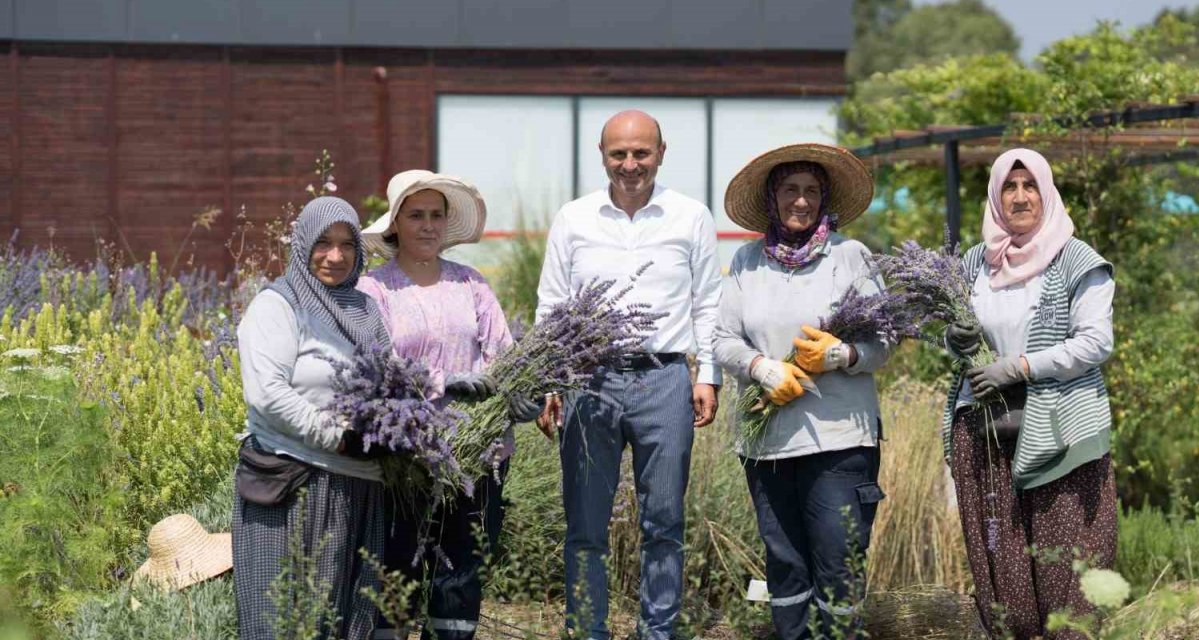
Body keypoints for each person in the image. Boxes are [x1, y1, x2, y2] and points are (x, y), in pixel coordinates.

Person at [534, 109, 722, 640]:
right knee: (585, 528)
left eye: (641, 153)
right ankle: (587, 630)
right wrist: (551, 379)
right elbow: (552, 306)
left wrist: (706, 375)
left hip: (664, 381)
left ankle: (657, 631)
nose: (630, 164)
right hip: (588, 383)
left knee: (664, 523)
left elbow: (708, 302)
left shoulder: (690, 217)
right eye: (619, 153)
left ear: (661, 154)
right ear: (602, 155)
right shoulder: (574, 218)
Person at [714, 143, 888, 639]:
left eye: (812, 191)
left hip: (840, 440)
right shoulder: (747, 261)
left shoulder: (850, 257)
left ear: (825, 198)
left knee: (838, 563)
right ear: (772, 196)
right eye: (790, 189)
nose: (801, 201)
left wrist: (842, 355)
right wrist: (761, 367)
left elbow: (883, 343)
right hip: (766, 441)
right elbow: (723, 339)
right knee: (785, 566)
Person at [942, 148, 1117, 640]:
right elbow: (960, 343)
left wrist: (1019, 367)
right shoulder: (977, 261)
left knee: (1069, 572)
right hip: (987, 435)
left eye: (1030, 185)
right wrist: (953, 341)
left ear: (1047, 191)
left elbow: (1095, 342)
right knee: (1005, 577)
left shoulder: (1076, 260)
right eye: (1008, 187)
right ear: (996, 197)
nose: (1019, 197)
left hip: (1057, 435)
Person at [358, 170, 540, 640]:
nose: (427, 225)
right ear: (395, 223)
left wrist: (519, 395)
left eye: (436, 215)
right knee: (396, 576)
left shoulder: (471, 284)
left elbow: (503, 352)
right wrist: (443, 383)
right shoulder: (375, 290)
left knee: (460, 577)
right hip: (405, 459)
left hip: (476, 459)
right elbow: (377, 367)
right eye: (416, 215)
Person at [233, 196, 391, 640]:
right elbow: (268, 395)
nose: (336, 256)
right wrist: (340, 437)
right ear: (302, 244)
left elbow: (389, 383)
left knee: (341, 621)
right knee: (281, 618)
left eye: (347, 245)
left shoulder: (365, 311)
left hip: (358, 486)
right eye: (323, 243)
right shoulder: (277, 306)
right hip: (289, 484)